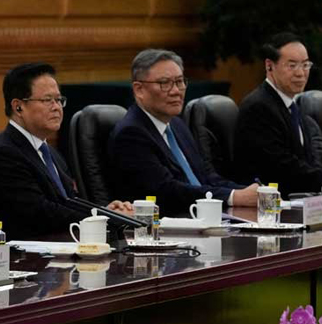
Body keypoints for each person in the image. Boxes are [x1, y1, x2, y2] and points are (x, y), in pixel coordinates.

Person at [0, 62, 133, 240]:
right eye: (47, 100)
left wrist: (105, 212)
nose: (57, 107)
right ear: (18, 107)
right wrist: (101, 219)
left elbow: (70, 201)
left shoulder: (49, 151)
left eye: (59, 100)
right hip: (30, 256)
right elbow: (41, 212)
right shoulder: (6, 154)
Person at [108, 50, 258, 216]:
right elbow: (167, 191)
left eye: (179, 81)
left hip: (205, 218)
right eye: (164, 83)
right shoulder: (131, 133)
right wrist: (234, 197)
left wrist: (249, 192)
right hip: (168, 226)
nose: (176, 91)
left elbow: (206, 178)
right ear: (139, 90)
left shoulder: (177, 125)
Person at [234, 33, 322, 195]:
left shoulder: (293, 105)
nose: (301, 73)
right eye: (292, 65)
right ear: (269, 66)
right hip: (268, 207)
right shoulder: (258, 107)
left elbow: (308, 162)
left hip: (300, 201)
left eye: (305, 65)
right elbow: (282, 167)